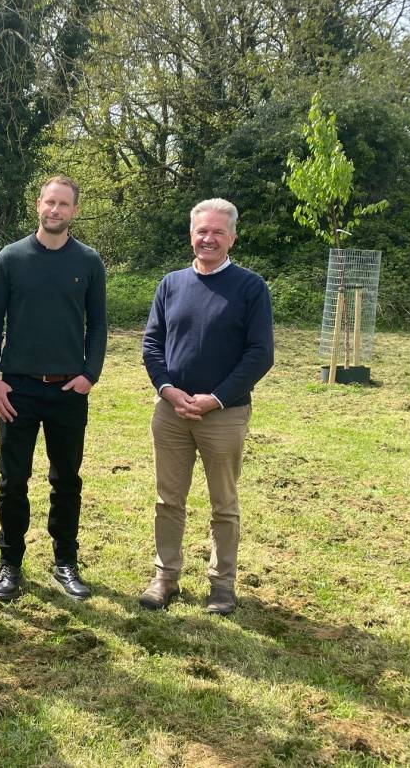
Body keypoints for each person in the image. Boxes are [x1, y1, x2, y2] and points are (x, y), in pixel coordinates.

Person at [139, 198, 274, 616]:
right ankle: (165, 577)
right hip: (172, 413)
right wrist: (167, 389)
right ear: (191, 234)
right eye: (202, 231)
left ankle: (222, 585)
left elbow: (259, 354)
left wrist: (216, 398)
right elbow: (152, 343)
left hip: (224, 415)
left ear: (232, 236)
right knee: (168, 500)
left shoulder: (251, 287)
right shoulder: (171, 284)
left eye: (217, 231)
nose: (208, 238)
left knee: (224, 504)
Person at [0, 176, 108, 602]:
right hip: (16, 390)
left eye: (64, 204)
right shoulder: (10, 258)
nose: (55, 210)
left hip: (68, 391)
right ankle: (10, 565)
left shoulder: (88, 262)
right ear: (38, 205)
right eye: (50, 202)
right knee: (12, 480)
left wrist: (90, 374)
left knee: (67, 480)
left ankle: (65, 562)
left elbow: (99, 324)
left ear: (74, 210)